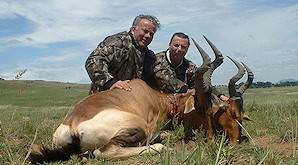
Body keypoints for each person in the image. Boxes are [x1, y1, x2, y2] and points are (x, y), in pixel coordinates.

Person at [85, 14, 160, 94]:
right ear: (133, 29)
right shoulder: (118, 42)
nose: (148, 36)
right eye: (145, 31)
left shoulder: (149, 56)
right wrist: (111, 83)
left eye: (151, 34)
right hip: (104, 97)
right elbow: (93, 60)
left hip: (131, 100)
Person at [153, 32, 228, 100]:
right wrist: (190, 91)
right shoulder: (156, 60)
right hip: (155, 103)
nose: (179, 49)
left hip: (179, 105)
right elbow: (167, 80)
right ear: (169, 44)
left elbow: (201, 82)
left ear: (187, 48)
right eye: (176, 45)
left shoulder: (190, 66)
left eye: (183, 47)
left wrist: (220, 95)